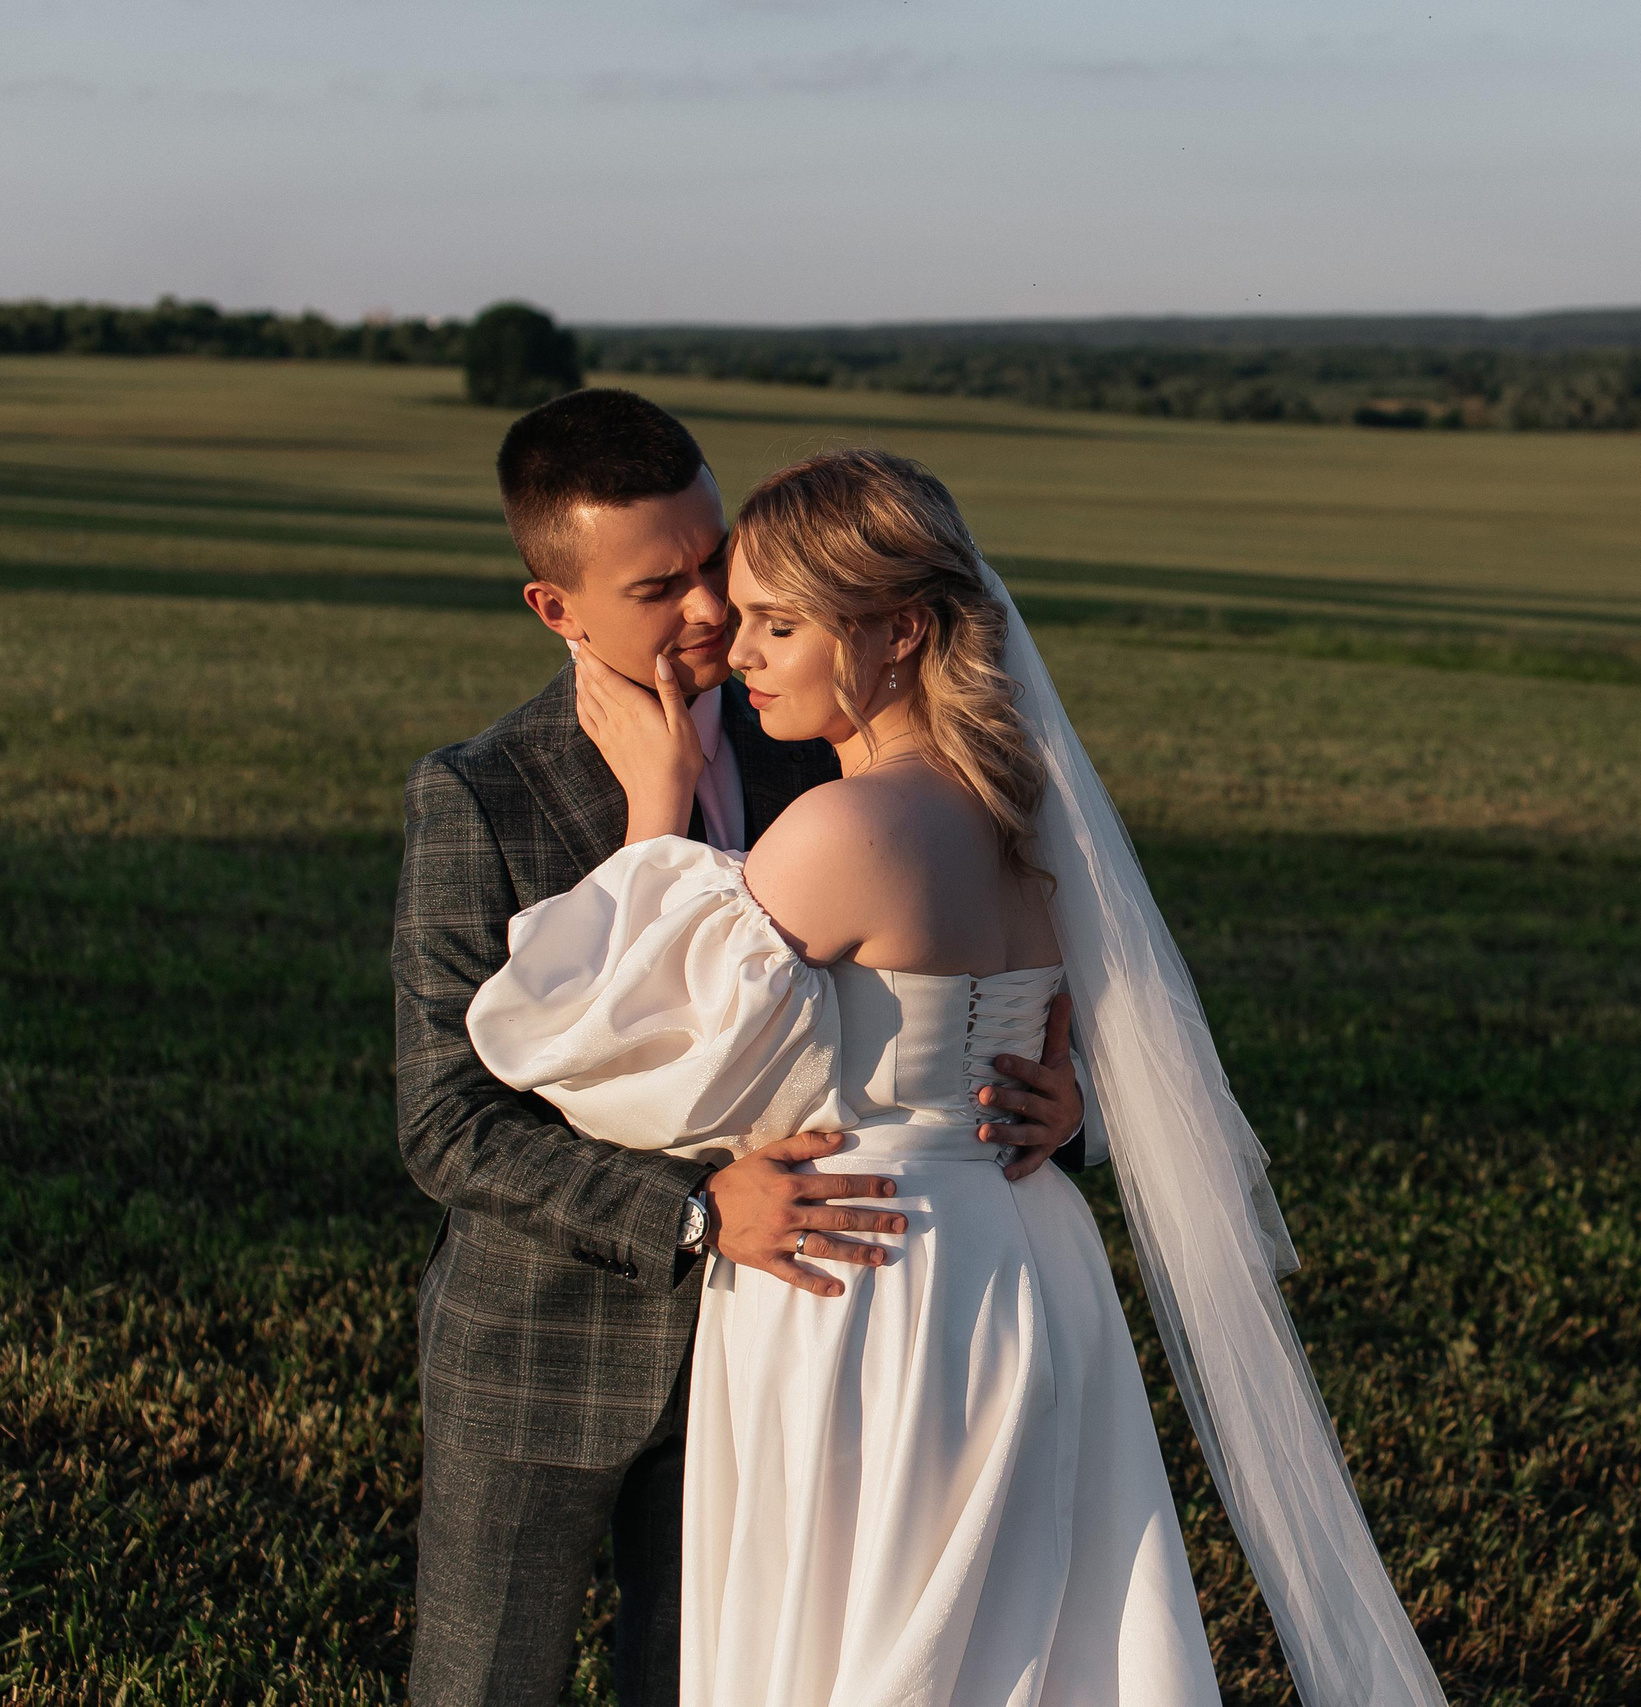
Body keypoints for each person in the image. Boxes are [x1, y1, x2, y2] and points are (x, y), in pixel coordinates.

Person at [463, 449, 1447, 1705]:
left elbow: (596, 1037)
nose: (739, 649)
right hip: (1026, 1252)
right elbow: (1054, 1017)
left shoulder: (841, 829)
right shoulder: (1024, 806)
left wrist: (655, 814)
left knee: (872, 1636)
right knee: (1028, 1623)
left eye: (777, 622)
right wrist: (1072, 1098)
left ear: (900, 631)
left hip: (864, 1268)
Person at [390, 392, 1095, 1707]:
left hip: (804, 1343)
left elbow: (969, 987)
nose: (714, 613)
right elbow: (450, 1121)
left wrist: (1059, 1106)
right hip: (551, 1339)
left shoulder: (821, 750)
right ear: (560, 610)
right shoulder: (480, 792)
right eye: (662, 587)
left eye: (719, 565)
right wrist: (696, 1208)